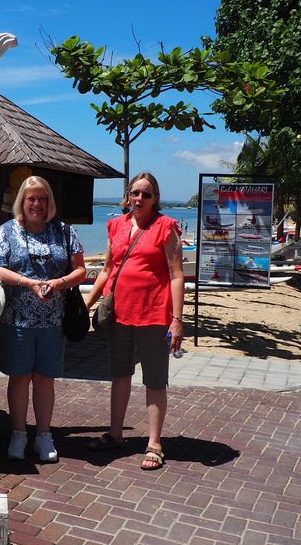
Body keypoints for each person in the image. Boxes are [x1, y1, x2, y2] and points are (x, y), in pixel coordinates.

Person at [84, 172, 184, 471]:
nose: (139, 198)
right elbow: (106, 270)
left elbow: (176, 275)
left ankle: (154, 443)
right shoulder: (114, 225)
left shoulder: (166, 227)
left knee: (154, 380)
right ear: (128, 195)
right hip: (119, 315)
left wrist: (177, 319)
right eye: (135, 193)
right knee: (120, 375)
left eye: (146, 194)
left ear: (156, 199)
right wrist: (86, 303)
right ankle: (115, 433)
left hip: (154, 314)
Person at [0, 176, 87, 462]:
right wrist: (26, 282)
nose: (37, 204)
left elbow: (81, 270)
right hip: (17, 320)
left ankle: (43, 435)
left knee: (45, 379)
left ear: (50, 203)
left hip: (53, 322)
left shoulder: (65, 231)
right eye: (31, 198)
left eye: (42, 198)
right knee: (19, 378)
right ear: (22, 201)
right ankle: (19, 433)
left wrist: (59, 283)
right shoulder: (7, 232)